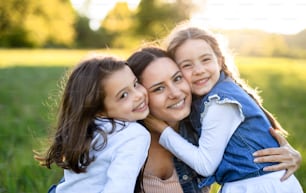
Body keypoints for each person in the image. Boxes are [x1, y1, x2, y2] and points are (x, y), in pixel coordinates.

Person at [144, 24, 303, 192]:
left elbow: (205, 165)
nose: (198, 70)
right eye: (187, 65)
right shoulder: (211, 98)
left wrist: (162, 129)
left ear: (219, 61)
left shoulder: (219, 103)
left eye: (205, 59)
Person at [35, 54, 151, 193]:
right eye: (123, 95)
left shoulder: (84, 128)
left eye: (135, 83)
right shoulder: (135, 135)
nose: (138, 95)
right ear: (98, 109)